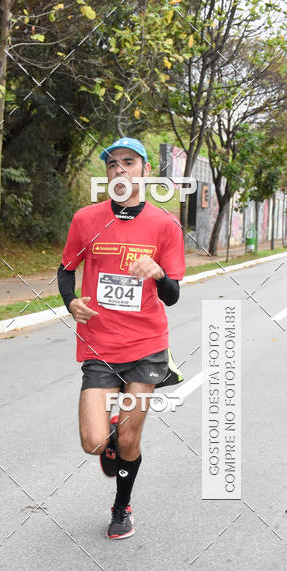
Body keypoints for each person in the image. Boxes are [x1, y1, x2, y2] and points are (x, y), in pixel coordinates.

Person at [58, 137, 185, 539]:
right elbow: (66, 269)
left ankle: (121, 507)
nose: (120, 170)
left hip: (147, 346)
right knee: (95, 442)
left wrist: (159, 274)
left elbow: (173, 295)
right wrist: (70, 301)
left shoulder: (165, 225)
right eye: (112, 164)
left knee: (130, 437)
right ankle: (110, 439)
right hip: (100, 343)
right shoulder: (85, 219)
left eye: (129, 162)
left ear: (146, 170)